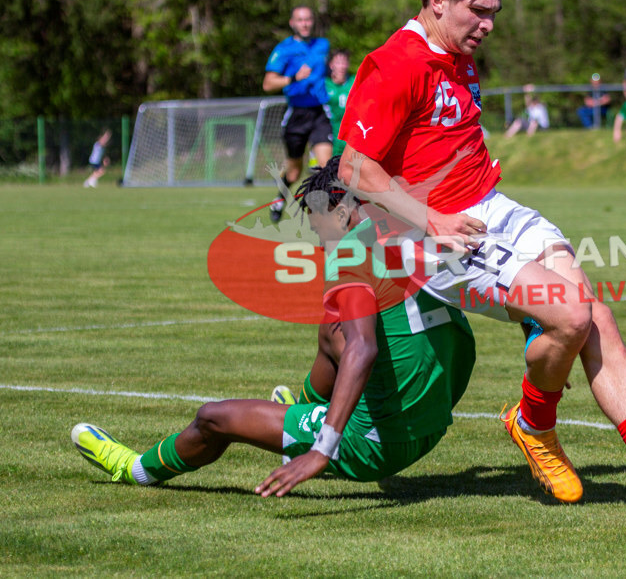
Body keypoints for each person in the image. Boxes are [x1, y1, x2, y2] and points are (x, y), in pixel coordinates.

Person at [334, 0, 626, 515]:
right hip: (437, 239)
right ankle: (534, 424)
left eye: (494, 11)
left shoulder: (457, 54)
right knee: (569, 315)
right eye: (479, 10)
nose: (489, 25)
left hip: (494, 209)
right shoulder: (395, 64)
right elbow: (352, 167)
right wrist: (431, 218)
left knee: (594, 315)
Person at [72, 158, 478, 495]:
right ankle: (301, 411)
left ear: (341, 212)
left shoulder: (350, 254)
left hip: (380, 443)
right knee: (332, 330)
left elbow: (363, 349)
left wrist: (323, 449)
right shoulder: (414, 227)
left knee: (213, 417)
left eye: (319, 227)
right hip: (433, 420)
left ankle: (134, 469)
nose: (320, 242)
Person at [263, 5, 332, 223]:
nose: (304, 24)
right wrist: (293, 78)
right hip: (297, 115)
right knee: (293, 172)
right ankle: (279, 199)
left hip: (319, 112)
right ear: (292, 23)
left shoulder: (323, 45)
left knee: (326, 166)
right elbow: (268, 84)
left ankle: (322, 212)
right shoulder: (284, 49)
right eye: (300, 20)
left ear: (313, 21)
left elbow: (328, 71)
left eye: (308, 19)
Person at [325, 49, 356, 156]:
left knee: (353, 165)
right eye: (338, 63)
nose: (342, 66)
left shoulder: (355, 81)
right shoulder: (324, 84)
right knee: (326, 164)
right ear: (331, 65)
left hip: (351, 136)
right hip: (329, 134)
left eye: (344, 62)